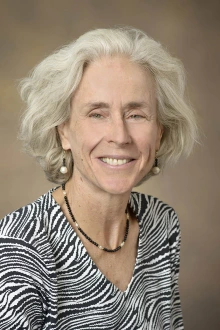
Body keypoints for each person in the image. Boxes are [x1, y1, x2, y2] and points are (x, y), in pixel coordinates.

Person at [0, 27, 197, 330]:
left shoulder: (162, 224)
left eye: (136, 114)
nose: (119, 136)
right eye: (97, 114)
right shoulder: (19, 247)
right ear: (63, 130)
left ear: (159, 132)